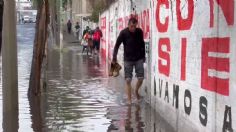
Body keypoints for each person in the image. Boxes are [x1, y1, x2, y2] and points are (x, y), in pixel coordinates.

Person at [112, 17, 145, 104]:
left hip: (138, 59)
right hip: (128, 60)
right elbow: (116, 45)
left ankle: (136, 91)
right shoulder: (123, 33)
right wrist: (114, 58)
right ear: (128, 25)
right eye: (131, 26)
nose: (133, 28)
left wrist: (143, 56)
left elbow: (142, 44)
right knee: (128, 80)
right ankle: (129, 101)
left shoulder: (139, 32)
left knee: (141, 78)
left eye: (135, 26)